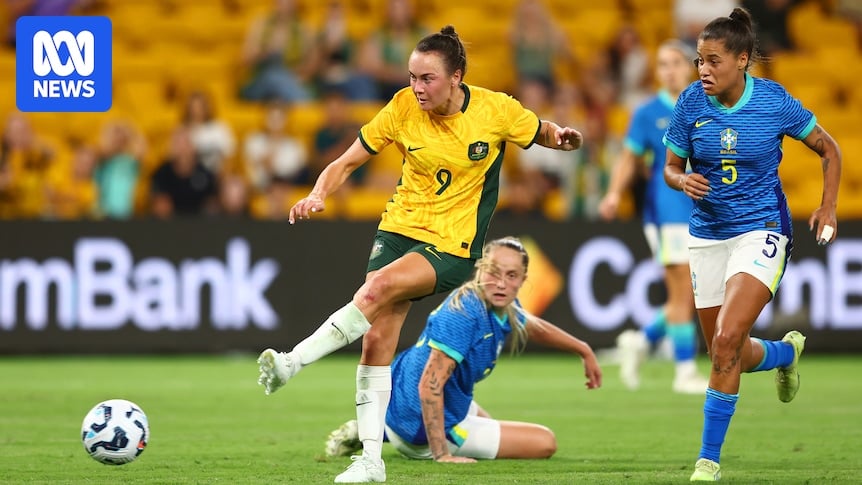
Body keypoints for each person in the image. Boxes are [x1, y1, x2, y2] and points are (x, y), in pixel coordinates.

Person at [256, 25, 584, 484]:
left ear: (457, 77)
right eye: (412, 76)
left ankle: (292, 362)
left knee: (378, 287)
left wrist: (562, 138)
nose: (416, 87)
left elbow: (540, 130)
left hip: (453, 242)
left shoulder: (494, 109)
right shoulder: (402, 107)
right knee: (376, 339)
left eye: (427, 78)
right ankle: (371, 459)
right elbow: (347, 160)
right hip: (399, 228)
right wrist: (318, 193)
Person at [662, 8, 841, 481]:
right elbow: (669, 166)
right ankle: (785, 354)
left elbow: (829, 148)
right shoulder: (689, 104)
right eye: (700, 60)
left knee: (725, 339)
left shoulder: (774, 101)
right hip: (706, 237)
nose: (703, 70)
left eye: (713, 61)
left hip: (762, 230)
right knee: (728, 353)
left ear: (742, 60)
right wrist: (682, 182)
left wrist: (827, 207)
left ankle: (708, 459)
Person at [323, 237, 602, 463]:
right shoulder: (466, 314)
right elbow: (429, 387)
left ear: (522, 280)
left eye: (512, 275)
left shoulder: (498, 303)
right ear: (480, 269)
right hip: (419, 428)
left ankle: (372, 429)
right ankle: (402, 437)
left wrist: (583, 349)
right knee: (545, 442)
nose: (502, 282)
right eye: (493, 272)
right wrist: (441, 454)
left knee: (490, 423)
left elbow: (531, 325)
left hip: (400, 403)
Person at [598, 39, 709, 395]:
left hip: (704, 211)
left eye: (675, 62)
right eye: (662, 64)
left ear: (690, 66)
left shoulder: (709, 105)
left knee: (688, 295)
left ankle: (640, 342)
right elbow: (630, 158)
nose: (669, 70)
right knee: (681, 290)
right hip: (668, 210)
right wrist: (614, 193)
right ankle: (685, 371)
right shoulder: (648, 113)